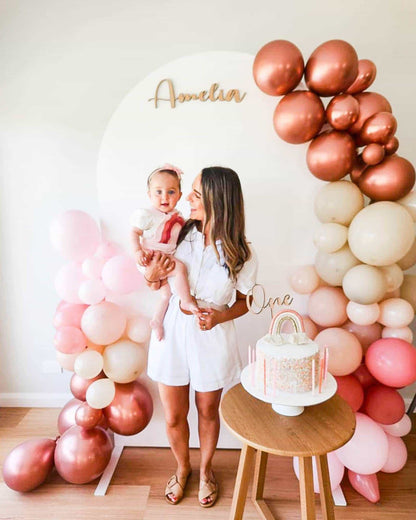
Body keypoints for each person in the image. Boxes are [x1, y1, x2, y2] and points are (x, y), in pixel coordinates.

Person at [144, 166, 257, 508]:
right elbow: (155, 280)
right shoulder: (176, 233)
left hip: (213, 333)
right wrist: (150, 274)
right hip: (174, 329)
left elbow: (245, 302)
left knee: (208, 410)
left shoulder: (242, 251)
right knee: (174, 414)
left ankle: (206, 470)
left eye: (195, 192)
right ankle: (182, 469)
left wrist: (220, 315)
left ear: (217, 199)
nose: (186, 198)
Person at [130, 164, 199, 340]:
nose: (164, 197)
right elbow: (134, 232)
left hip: (163, 258)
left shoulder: (180, 218)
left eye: (171, 192)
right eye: (158, 192)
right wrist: (138, 251)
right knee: (180, 269)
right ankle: (187, 300)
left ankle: (157, 321)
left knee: (166, 293)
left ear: (179, 195)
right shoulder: (148, 214)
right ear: (149, 194)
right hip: (151, 256)